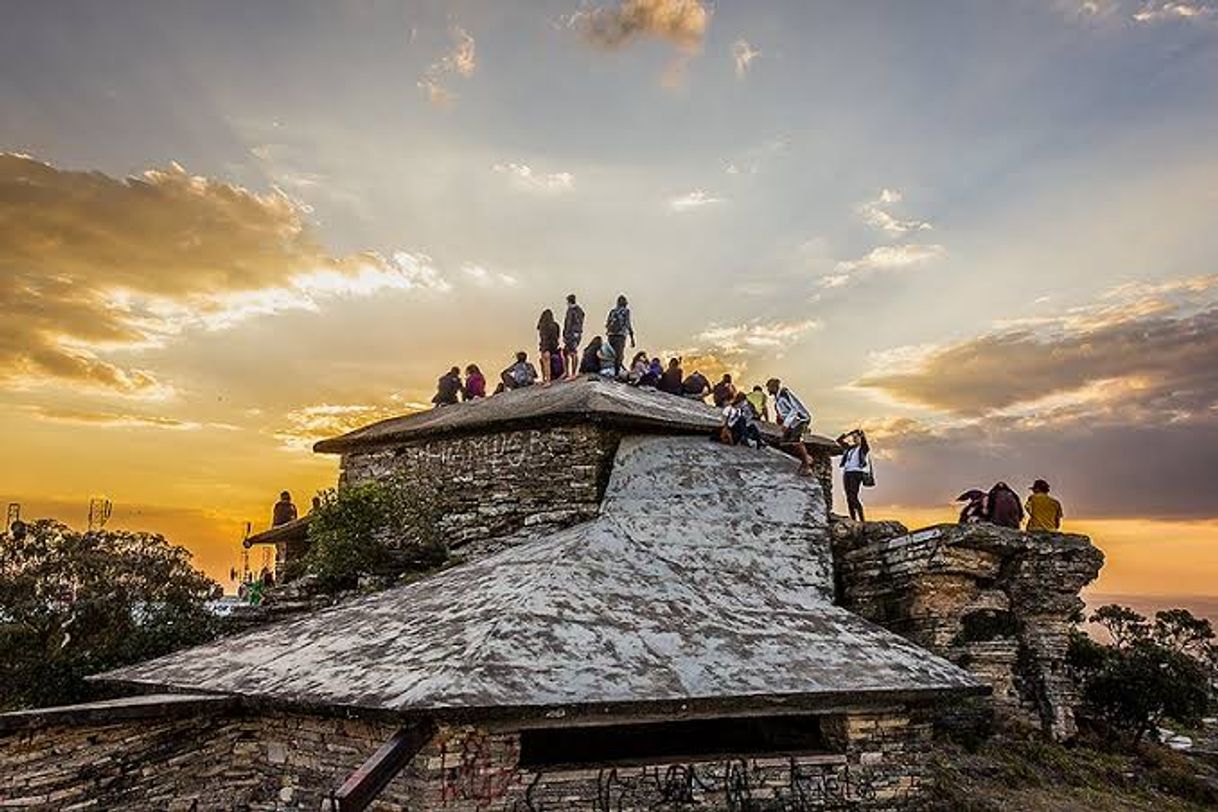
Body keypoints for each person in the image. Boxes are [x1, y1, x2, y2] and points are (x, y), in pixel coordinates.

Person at [767, 378, 814, 476]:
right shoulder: (777, 398)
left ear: (774, 387)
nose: (768, 390)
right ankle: (807, 457)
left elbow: (794, 410)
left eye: (769, 387)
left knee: (795, 441)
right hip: (792, 422)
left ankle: (807, 466)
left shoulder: (784, 394)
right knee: (784, 442)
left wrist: (786, 424)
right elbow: (784, 412)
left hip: (800, 419)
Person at [837, 429, 871, 522]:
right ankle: (853, 519)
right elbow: (839, 441)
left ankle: (862, 519)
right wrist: (847, 434)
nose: (855, 439)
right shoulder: (849, 448)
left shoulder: (863, 449)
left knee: (853, 496)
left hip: (856, 473)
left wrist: (862, 435)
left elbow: (865, 444)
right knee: (848, 498)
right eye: (854, 438)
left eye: (857, 437)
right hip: (846, 473)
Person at [605, 295, 635, 376]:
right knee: (619, 354)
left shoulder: (612, 311)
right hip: (620, 335)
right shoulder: (626, 311)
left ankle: (609, 371)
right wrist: (632, 338)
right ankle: (616, 373)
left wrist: (609, 331)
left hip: (611, 335)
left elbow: (607, 323)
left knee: (611, 354)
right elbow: (628, 324)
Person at [562, 294, 585, 379]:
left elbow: (568, 324)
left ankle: (572, 374)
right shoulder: (580, 310)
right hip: (576, 333)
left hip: (571, 334)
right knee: (566, 352)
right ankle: (567, 372)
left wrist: (565, 335)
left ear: (568, 301)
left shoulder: (571, 310)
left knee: (572, 352)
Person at [537, 309, 561, 384]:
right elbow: (558, 336)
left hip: (545, 345)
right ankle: (548, 379)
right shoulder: (556, 325)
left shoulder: (542, 325)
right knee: (547, 362)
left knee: (545, 363)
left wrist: (543, 347)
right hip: (553, 345)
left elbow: (543, 338)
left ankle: (546, 380)